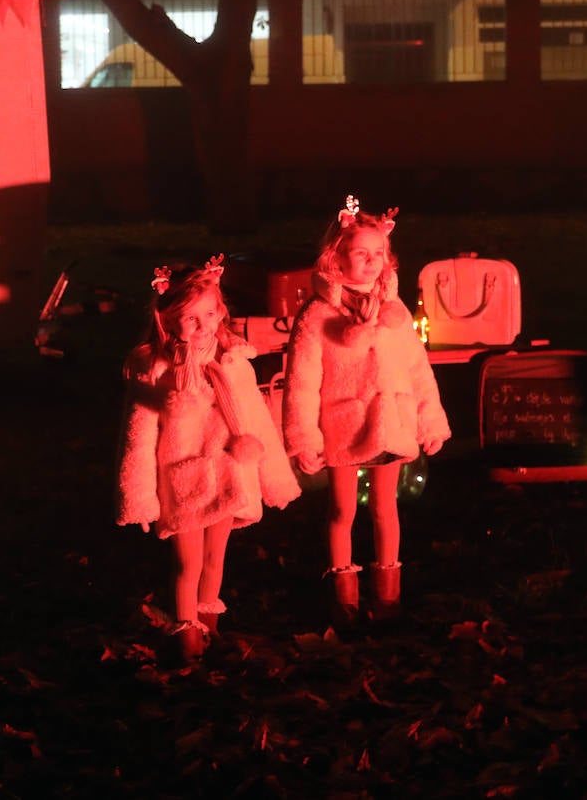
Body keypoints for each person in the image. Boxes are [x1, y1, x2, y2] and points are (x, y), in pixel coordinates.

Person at [116, 256, 300, 661]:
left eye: (210, 314)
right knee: (188, 564)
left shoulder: (233, 363)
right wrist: (138, 498)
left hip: (228, 474)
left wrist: (275, 481)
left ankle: (209, 629)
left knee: (216, 558)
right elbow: (138, 438)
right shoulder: (156, 370)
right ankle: (187, 639)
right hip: (182, 481)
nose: (203, 325)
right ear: (166, 319)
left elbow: (258, 423)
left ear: (221, 311)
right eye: (189, 318)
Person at [282, 196, 451, 625]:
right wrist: (304, 437)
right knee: (342, 510)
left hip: (391, 423)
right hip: (343, 425)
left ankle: (388, 598)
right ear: (335, 257)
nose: (372, 261)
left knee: (385, 506)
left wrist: (429, 420)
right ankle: (344, 597)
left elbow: (417, 370)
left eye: (379, 253)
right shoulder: (318, 315)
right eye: (361, 253)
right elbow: (301, 382)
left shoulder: (395, 313)